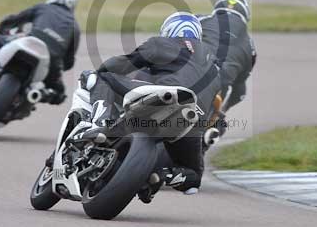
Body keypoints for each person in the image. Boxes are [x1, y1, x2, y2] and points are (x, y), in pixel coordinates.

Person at [82, 11, 221, 201]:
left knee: (104, 77)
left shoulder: (162, 43)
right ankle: (161, 176)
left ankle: (99, 123)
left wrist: (98, 71)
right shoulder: (214, 67)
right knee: (194, 176)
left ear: (169, 30)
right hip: (191, 120)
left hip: (163, 98)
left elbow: (122, 65)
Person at [0, 0, 80, 105]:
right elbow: (69, 61)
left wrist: (2, 29)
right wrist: (59, 68)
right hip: (52, 60)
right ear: (73, 4)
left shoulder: (42, 8)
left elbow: (14, 20)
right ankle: (42, 93)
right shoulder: (75, 26)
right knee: (59, 93)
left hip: (31, 42)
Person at [199, 0, 256, 142]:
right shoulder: (251, 48)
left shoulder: (200, 19)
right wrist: (223, 110)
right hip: (218, 87)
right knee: (219, 124)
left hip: (190, 73)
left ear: (217, 9)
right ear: (245, 17)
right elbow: (239, 92)